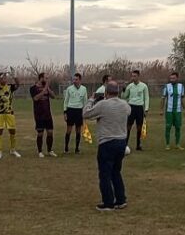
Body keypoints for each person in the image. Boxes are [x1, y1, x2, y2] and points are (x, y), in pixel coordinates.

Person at [83, 80, 130, 211]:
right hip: (121, 142)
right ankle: (121, 200)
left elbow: (86, 114)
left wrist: (91, 100)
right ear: (118, 92)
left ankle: (108, 202)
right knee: (116, 172)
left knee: (105, 174)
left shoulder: (103, 105)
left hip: (107, 142)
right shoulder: (125, 105)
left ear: (106, 92)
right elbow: (128, 112)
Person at [0, 70, 22, 159]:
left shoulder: (10, 87)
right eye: (2, 78)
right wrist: (0, 78)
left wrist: (14, 76)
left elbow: (18, 84)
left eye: (5, 78)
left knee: (12, 131)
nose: (4, 79)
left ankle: (13, 149)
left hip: (9, 112)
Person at [30, 73, 58, 158]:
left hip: (47, 114)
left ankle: (50, 150)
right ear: (41, 78)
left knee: (50, 132)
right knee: (40, 133)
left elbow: (53, 96)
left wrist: (48, 89)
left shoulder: (47, 87)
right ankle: (40, 151)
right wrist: (44, 89)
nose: (47, 80)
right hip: (39, 115)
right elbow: (36, 98)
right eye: (46, 78)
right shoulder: (33, 88)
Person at [121, 70, 150, 151]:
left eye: (134, 76)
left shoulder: (144, 86)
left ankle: (138, 145)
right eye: (132, 76)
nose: (133, 78)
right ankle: (125, 144)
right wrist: (123, 90)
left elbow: (146, 98)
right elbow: (124, 97)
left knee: (139, 127)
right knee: (128, 126)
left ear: (138, 76)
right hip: (131, 107)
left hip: (140, 108)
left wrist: (146, 108)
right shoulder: (130, 86)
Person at [62, 72, 87, 154]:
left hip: (79, 111)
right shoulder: (69, 89)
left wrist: (85, 112)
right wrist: (65, 112)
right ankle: (66, 148)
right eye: (74, 79)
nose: (74, 81)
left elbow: (85, 102)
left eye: (76, 79)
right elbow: (66, 101)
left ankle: (77, 148)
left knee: (78, 130)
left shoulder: (84, 89)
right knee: (68, 130)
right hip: (71, 110)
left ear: (80, 80)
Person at [160, 72, 185, 150]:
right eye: (171, 78)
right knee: (168, 127)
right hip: (169, 111)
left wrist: (184, 106)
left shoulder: (181, 86)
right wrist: (161, 109)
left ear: (177, 78)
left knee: (178, 127)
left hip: (178, 111)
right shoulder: (166, 86)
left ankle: (177, 144)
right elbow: (163, 98)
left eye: (173, 78)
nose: (172, 80)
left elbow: (182, 98)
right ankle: (167, 144)